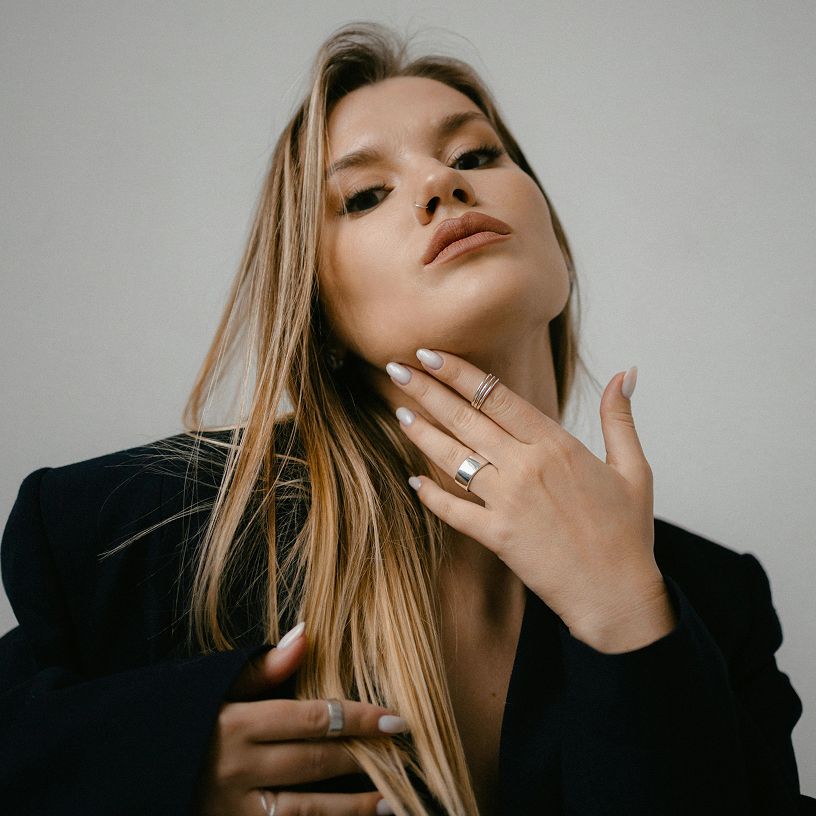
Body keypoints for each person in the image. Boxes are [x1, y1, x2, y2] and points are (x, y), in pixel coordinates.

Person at [0, 20, 813, 816]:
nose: (443, 185)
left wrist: (627, 614)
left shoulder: (715, 598)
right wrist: (160, 766)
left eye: (475, 156)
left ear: (557, 247)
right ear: (314, 316)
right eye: (365, 195)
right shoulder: (134, 532)